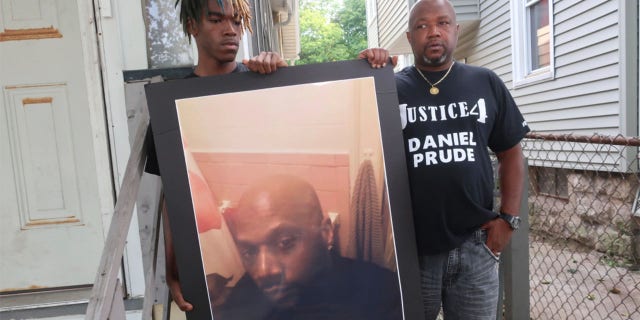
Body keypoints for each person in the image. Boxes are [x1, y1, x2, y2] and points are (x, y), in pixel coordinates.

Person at [358, 0, 530, 319]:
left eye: (443, 23)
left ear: (456, 30)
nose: (433, 32)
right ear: (409, 37)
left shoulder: (485, 82)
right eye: (422, 26)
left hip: (475, 245)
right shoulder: (390, 89)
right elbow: (359, 140)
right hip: (411, 250)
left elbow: (511, 153)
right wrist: (363, 75)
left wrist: (508, 219)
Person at [144, 0, 287, 312]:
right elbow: (173, 198)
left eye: (236, 22)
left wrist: (283, 80)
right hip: (216, 259)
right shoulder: (170, 106)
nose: (230, 31)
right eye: (217, 20)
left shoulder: (261, 84)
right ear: (193, 26)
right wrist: (172, 271)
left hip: (272, 248)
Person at [215, 174, 402, 320]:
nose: (263, 271)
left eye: (285, 243)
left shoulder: (383, 296)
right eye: (250, 251)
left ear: (327, 231)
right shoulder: (242, 298)